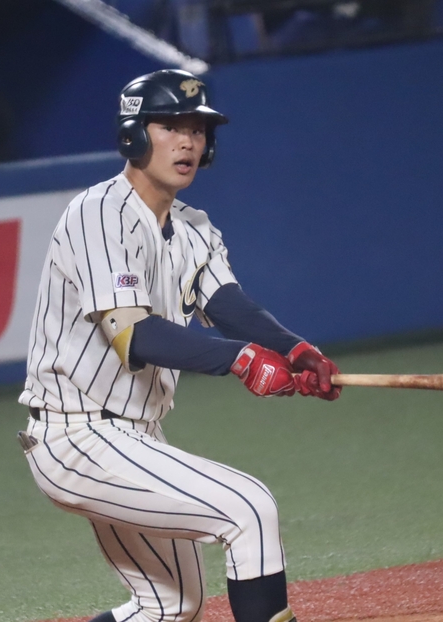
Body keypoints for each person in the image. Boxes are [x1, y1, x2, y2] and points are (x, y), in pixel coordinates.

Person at [17, 69, 342, 622]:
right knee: (249, 509)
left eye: (197, 128)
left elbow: (228, 305)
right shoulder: (98, 214)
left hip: (131, 436)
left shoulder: (192, 226)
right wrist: (240, 360)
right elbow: (134, 334)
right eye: (169, 126)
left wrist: (296, 349)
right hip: (78, 435)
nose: (188, 140)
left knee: (172, 606)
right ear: (134, 135)